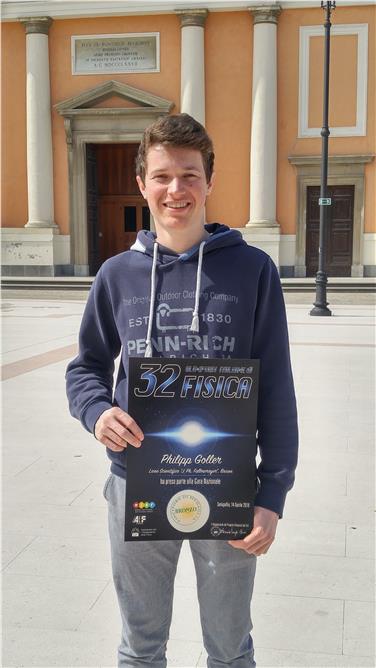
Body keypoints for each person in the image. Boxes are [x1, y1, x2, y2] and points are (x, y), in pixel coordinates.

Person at [66, 113, 298, 668]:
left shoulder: (252, 269)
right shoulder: (116, 274)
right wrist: (97, 412)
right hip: (136, 482)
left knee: (229, 647)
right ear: (143, 183)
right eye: (164, 176)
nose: (177, 189)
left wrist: (273, 495)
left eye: (190, 175)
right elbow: (86, 368)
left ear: (209, 182)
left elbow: (277, 387)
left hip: (228, 488)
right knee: (140, 648)